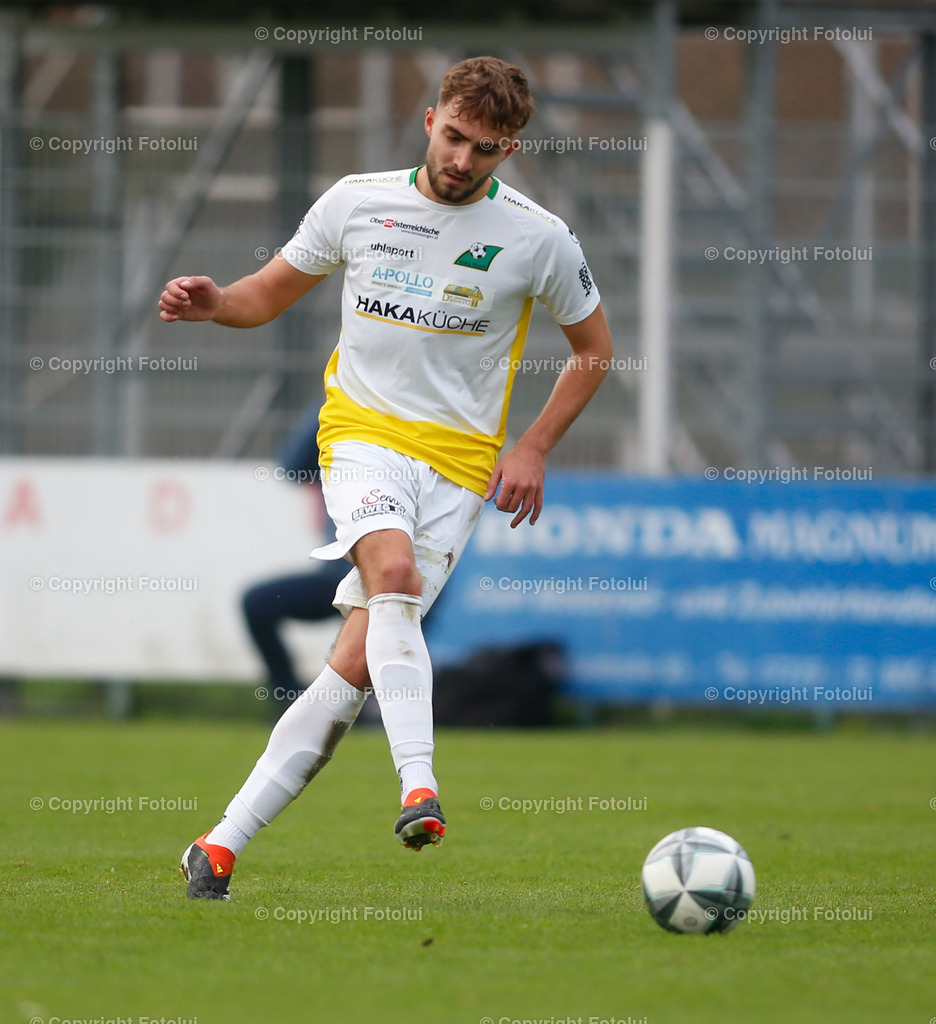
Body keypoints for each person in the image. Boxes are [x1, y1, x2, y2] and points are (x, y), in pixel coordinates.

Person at [159, 55, 612, 900]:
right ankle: (418, 785)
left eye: (485, 148)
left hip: (459, 466)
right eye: (454, 137)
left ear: (509, 150)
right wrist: (215, 302)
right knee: (393, 575)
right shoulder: (356, 202)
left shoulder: (539, 237)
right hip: (361, 435)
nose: (462, 160)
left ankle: (218, 845)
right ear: (430, 119)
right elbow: (266, 294)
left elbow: (595, 350)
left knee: (353, 666)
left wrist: (534, 446)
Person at [241, 402, 348, 717]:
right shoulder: (339, 412)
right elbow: (292, 465)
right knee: (258, 603)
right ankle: (291, 700)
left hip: (397, 576)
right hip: (340, 575)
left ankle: (377, 710)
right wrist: (333, 401)